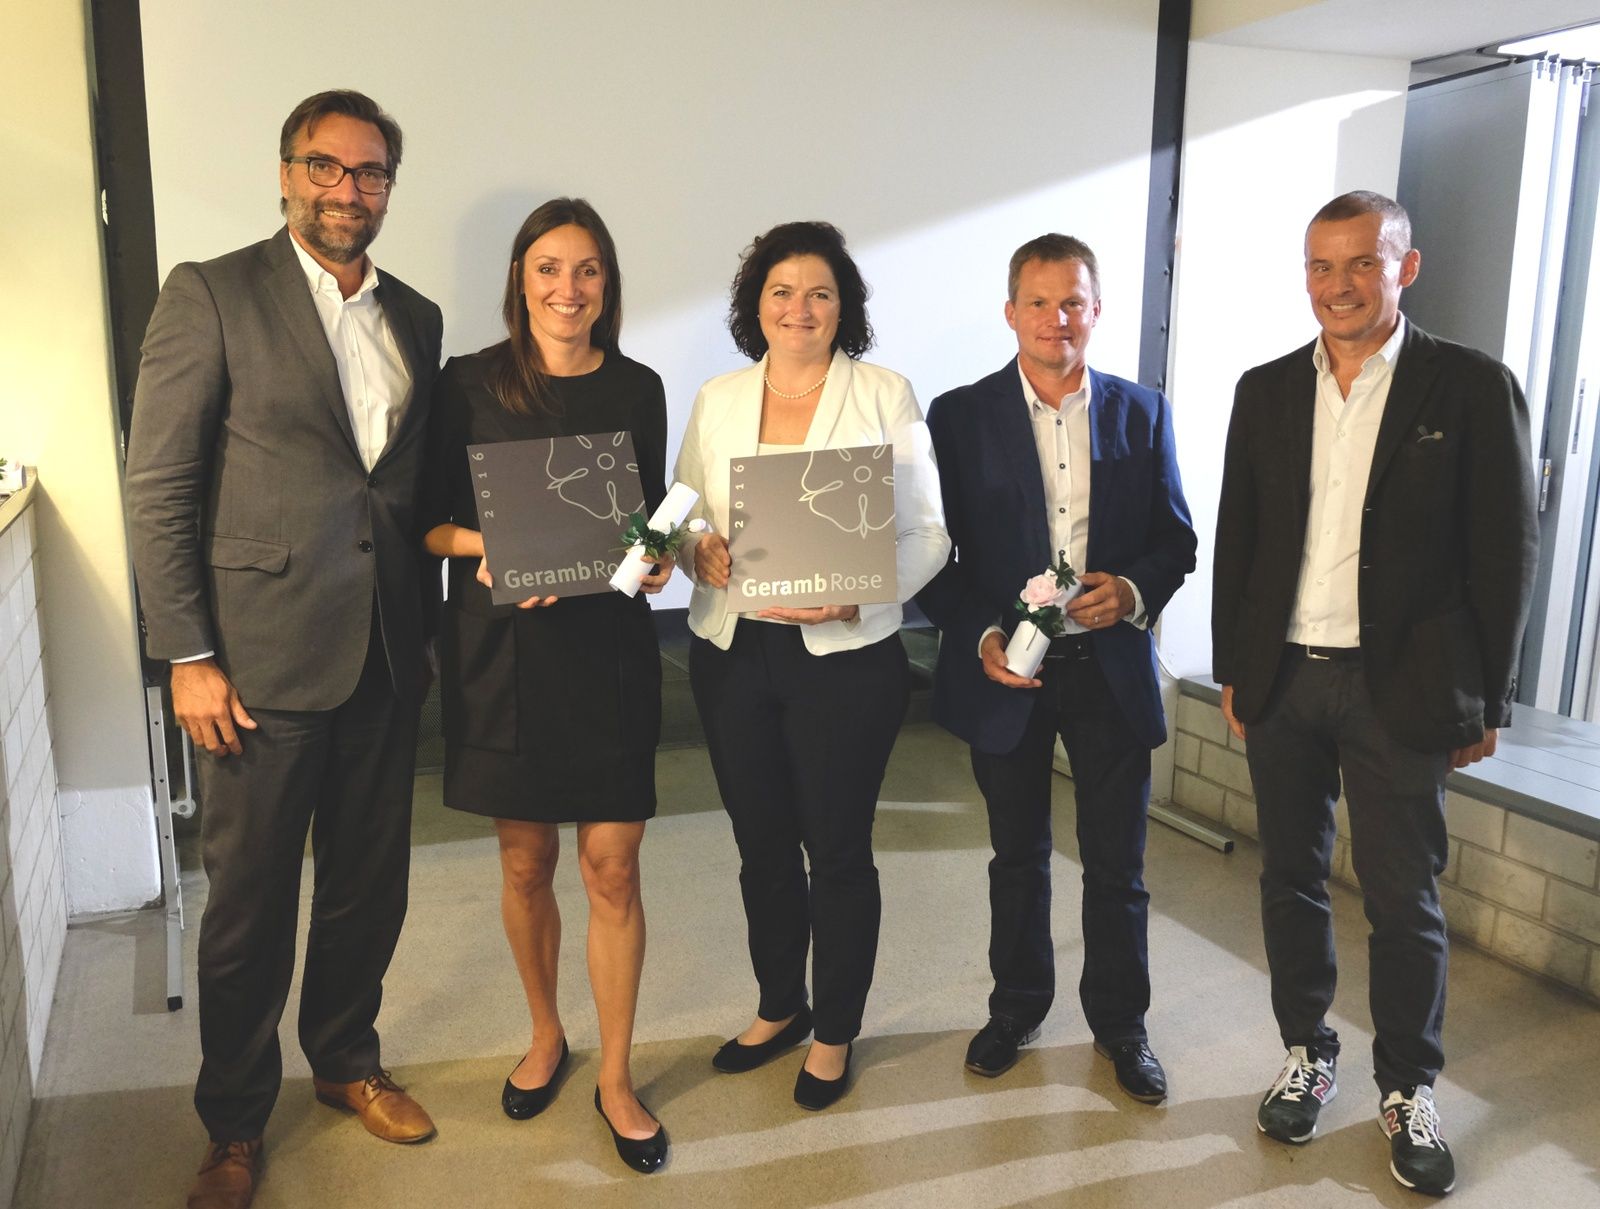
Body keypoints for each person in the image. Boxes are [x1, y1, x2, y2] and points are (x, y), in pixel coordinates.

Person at [124, 90, 443, 1209]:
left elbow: (397, 492)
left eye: (370, 172)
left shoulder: (416, 315)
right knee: (250, 909)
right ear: (286, 172)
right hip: (255, 664)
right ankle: (233, 1123)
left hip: (386, 654)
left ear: (388, 187)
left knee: (368, 888)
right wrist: (186, 654)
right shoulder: (211, 293)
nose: (347, 190)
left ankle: (346, 1061)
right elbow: (159, 486)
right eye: (326, 166)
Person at [1212, 190, 1538, 1197]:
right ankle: (1307, 1052)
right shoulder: (1267, 389)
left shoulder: (1470, 386)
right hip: (1286, 679)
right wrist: (1235, 667)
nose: (1339, 285)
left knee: (1404, 899)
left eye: (1362, 263)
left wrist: (1487, 697)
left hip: (1402, 686)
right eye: (1322, 266)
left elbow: (1505, 549)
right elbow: (1239, 536)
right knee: (1290, 879)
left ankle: (1408, 1088)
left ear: (1406, 266)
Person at [420, 198, 672, 1174]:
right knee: (526, 865)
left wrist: (657, 560)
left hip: (608, 656)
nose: (569, 289)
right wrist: (491, 547)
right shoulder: (467, 384)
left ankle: (617, 1075)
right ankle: (544, 1032)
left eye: (588, 269)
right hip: (505, 658)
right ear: (521, 281)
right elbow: (427, 523)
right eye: (549, 269)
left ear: (608, 284)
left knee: (613, 868)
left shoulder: (639, 388)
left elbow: (646, 525)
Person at [675, 221, 948, 1110]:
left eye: (820, 293)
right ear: (756, 305)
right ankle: (779, 1005)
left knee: (835, 848)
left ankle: (834, 1029)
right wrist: (696, 549)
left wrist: (860, 594)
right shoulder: (719, 397)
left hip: (845, 660)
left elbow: (930, 534)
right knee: (760, 846)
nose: (800, 308)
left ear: (843, 306)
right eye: (782, 291)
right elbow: (682, 513)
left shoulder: (883, 393)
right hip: (734, 652)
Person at [916, 234, 1195, 1103]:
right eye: (1038, 302)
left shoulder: (1142, 412)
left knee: (1118, 864)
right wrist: (979, 634)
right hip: (1010, 672)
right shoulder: (958, 416)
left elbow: (1176, 538)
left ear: (1096, 309)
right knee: (1017, 855)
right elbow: (932, 554)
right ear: (1011, 312)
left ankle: (1122, 1025)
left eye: (1073, 301)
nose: (1056, 318)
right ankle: (1016, 1008)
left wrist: (1135, 590)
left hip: (1109, 668)